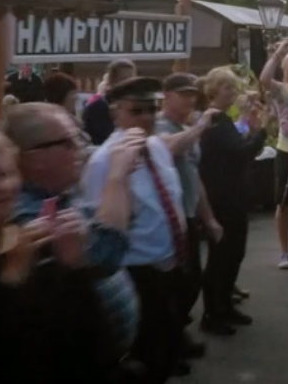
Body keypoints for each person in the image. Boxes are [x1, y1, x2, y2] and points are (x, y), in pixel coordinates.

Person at [0, 130, 119, 383]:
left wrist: (76, 268)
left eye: (3, 175)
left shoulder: (38, 243)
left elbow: (95, 346)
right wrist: (11, 277)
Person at [1, 101, 147, 378]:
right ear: (32, 156)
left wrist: (123, 177)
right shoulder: (24, 213)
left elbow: (123, 223)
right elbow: (106, 254)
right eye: (69, 141)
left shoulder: (60, 194)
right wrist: (116, 176)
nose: (82, 148)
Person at [83, 77, 191, 383]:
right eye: (137, 111)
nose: (146, 117)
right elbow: (100, 220)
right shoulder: (105, 160)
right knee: (146, 354)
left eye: (152, 109)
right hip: (137, 269)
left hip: (169, 261)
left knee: (168, 344)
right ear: (117, 115)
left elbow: (170, 197)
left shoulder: (157, 146)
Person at [153, 74, 221, 352]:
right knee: (174, 283)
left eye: (193, 94)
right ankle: (169, 342)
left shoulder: (185, 126)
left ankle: (176, 334)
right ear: (167, 95)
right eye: (183, 94)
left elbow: (194, 176)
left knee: (191, 280)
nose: (190, 100)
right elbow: (168, 147)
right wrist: (201, 126)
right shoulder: (160, 125)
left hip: (188, 214)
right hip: (169, 218)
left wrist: (209, 218)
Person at [196, 67, 267, 331]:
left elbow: (234, 151)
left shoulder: (221, 121)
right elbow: (241, 152)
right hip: (224, 198)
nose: (233, 93)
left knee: (232, 254)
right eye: (228, 88)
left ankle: (223, 305)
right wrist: (259, 133)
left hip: (229, 195)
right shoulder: (216, 121)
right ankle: (214, 312)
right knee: (223, 256)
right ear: (214, 91)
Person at [259, 42, 288, 270]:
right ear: (286, 69)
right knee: (283, 203)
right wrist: (278, 54)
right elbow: (264, 79)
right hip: (286, 150)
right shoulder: (281, 89)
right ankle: (285, 252)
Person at [83, 59, 136, 145]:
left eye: (132, 79)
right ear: (112, 81)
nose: (130, 83)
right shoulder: (97, 108)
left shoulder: (136, 107)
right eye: (124, 79)